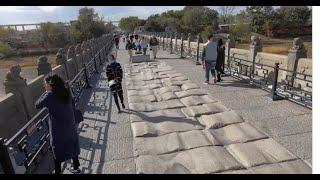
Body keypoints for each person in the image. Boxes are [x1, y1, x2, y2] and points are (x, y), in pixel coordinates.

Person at [35, 74, 81, 174]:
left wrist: (46, 92)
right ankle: (76, 167)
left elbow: (37, 104)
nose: (44, 86)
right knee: (72, 144)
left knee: (57, 149)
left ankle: (58, 171)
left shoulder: (50, 96)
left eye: (45, 84)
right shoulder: (66, 91)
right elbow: (73, 104)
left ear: (50, 85)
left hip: (58, 128)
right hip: (70, 124)